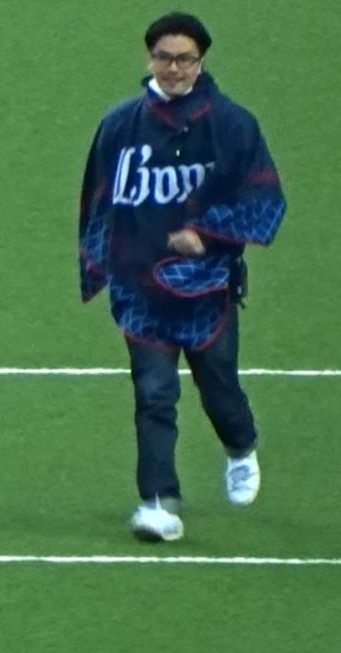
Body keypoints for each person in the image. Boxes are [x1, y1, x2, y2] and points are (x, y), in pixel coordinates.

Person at [77, 12, 287, 542]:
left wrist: (207, 235)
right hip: (140, 286)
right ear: (149, 58)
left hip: (207, 286)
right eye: (164, 57)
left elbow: (264, 200)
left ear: (201, 61)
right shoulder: (119, 125)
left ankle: (240, 445)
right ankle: (158, 501)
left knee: (219, 388)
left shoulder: (234, 125)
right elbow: (99, 199)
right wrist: (98, 265)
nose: (174, 68)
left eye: (185, 59)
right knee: (153, 393)